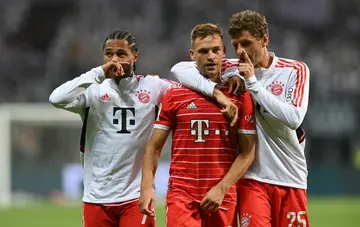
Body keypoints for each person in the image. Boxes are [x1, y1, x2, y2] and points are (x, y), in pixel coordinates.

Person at [49, 29, 239, 227]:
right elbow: (56, 98)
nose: (115, 60)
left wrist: (227, 78)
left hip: (136, 196)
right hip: (96, 196)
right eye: (109, 54)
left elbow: (184, 75)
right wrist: (99, 72)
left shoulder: (153, 86)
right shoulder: (93, 90)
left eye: (121, 54)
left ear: (135, 56)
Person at [171, 10, 311, 227]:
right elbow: (179, 69)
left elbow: (293, 118)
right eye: (236, 45)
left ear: (265, 40)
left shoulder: (294, 70)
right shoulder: (231, 67)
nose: (240, 51)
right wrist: (217, 92)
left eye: (246, 43)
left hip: (290, 176)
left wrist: (252, 83)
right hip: (251, 179)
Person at [139, 23, 256, 227]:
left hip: (222, 195)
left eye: (215, 50)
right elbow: (153, 146)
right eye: (203, 51)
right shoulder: (175, 94)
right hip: (182, 194)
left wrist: (222, 188)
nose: (210, 56)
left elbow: (248, 152)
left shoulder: (239, 94)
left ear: (224, 53)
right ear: (192, 54)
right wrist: (147, 188)